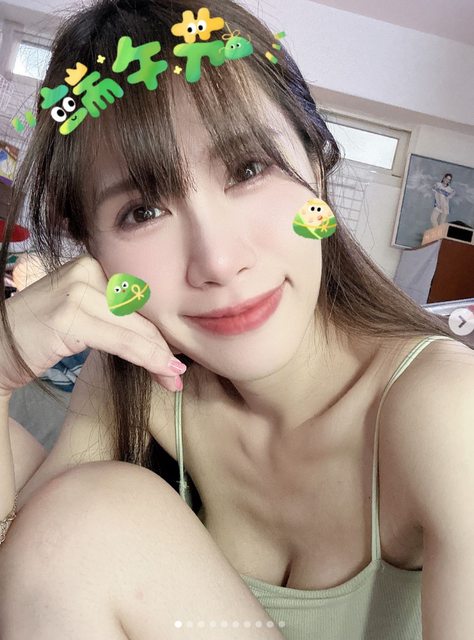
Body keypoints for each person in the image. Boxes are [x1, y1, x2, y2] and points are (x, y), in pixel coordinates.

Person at [0, 1, 473, 639]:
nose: (219, 262)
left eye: (249, 170)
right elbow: (33, 583)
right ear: (93, 251)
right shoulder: (140, 378)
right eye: (142, 212)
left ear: (317, 168)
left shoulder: (447, 406)